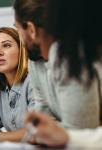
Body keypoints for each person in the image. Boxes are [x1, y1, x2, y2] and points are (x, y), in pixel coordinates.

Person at [15, 0, 102, 148]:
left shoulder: (70, 56)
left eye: (17, 29)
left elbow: (82, 129)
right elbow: (43, 118)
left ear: (31, 29)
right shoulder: (36, 61)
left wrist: (64, 136)